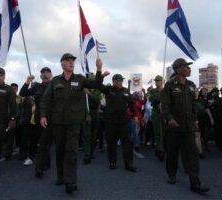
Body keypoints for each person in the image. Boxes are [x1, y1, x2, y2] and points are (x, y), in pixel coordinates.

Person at [40, 53, 103, 194]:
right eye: (68, 61)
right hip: (58, 122)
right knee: (60, 150)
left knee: (72, 151)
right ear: (62, 64)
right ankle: (61, 176)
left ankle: (71, 181)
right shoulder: (55, 81)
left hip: (74, 122)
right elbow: (46, 100)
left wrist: (98, 69)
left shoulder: (80, 79)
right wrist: (43, 115)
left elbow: (96, 84)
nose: (71, 63)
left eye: (72, 61)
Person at [160, 58, 209, 194]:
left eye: (189, 67)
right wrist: (169, 118)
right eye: (186, 67)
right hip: (174, 127)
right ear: (178, 69)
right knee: (172, 153)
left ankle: (195, 183)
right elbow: (165, 106)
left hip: (189, 127)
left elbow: (193, 105)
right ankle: (172, 174)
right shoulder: (169, 86)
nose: (189, 69)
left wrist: (196, 120)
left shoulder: (192, 85)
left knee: (192, 154)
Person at [98, 74, 138, 172]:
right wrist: (101, 76)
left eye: (121, 80)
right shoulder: (108, 90)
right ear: (114, 81)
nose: (120, 82)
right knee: (111, 143)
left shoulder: (126, 91)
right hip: (111, 122)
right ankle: (112, 161)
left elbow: (131, 103)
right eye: (118, 80)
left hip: (124, 122)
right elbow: (98, 85)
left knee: (127, 143)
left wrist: (135, 115)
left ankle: (129, 163)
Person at [19, 67, 53, 178]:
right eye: (43, 72)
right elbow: (23, 93)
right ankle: (41, 166)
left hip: (51, 118)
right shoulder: (36, 86)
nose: (45, 74)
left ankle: (41, 166)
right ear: (40, 76)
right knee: (41, 142)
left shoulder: (55, 85)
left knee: (44, 143)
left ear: (51, 75)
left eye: (47, 72)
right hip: (38, 118)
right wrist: (28, 81)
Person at [148, 75, 165, 161]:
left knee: (165, 132)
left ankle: (163, 149)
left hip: (165, 113)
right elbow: (152, 100)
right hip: (156, 113)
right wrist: (159, 93)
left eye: (158, 81)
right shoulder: (153, 91)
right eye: (156, 81)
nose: (157, 82)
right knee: (158, 133)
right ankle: (160, 150)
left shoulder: (166, 90)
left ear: (162, 81)